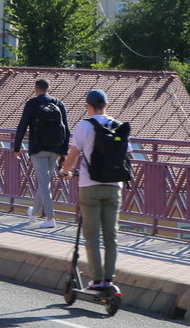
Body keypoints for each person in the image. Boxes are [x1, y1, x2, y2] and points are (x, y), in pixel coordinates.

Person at [60, 88, 126, 291]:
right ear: (106, 105)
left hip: (90, 186)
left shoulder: (84, 126)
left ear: (88, 106)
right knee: (111, 236)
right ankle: (109, 279)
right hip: (114, 186)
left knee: (92, 236)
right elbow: (126, 154)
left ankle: (97, 280)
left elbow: (73, 155)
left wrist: (65, 172)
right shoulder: (118, 126)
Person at [12, 78, 69, 229]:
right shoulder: (59, 104)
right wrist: (64, 152)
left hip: (37, 149)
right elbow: (66, 129)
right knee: (45, 181)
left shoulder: (32, 103)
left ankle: (50, 218)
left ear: (36, 89)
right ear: (49, 89)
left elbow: (22, 126)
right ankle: (34, 212)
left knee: (44, 183)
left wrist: (16, 147)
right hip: (55, 149)